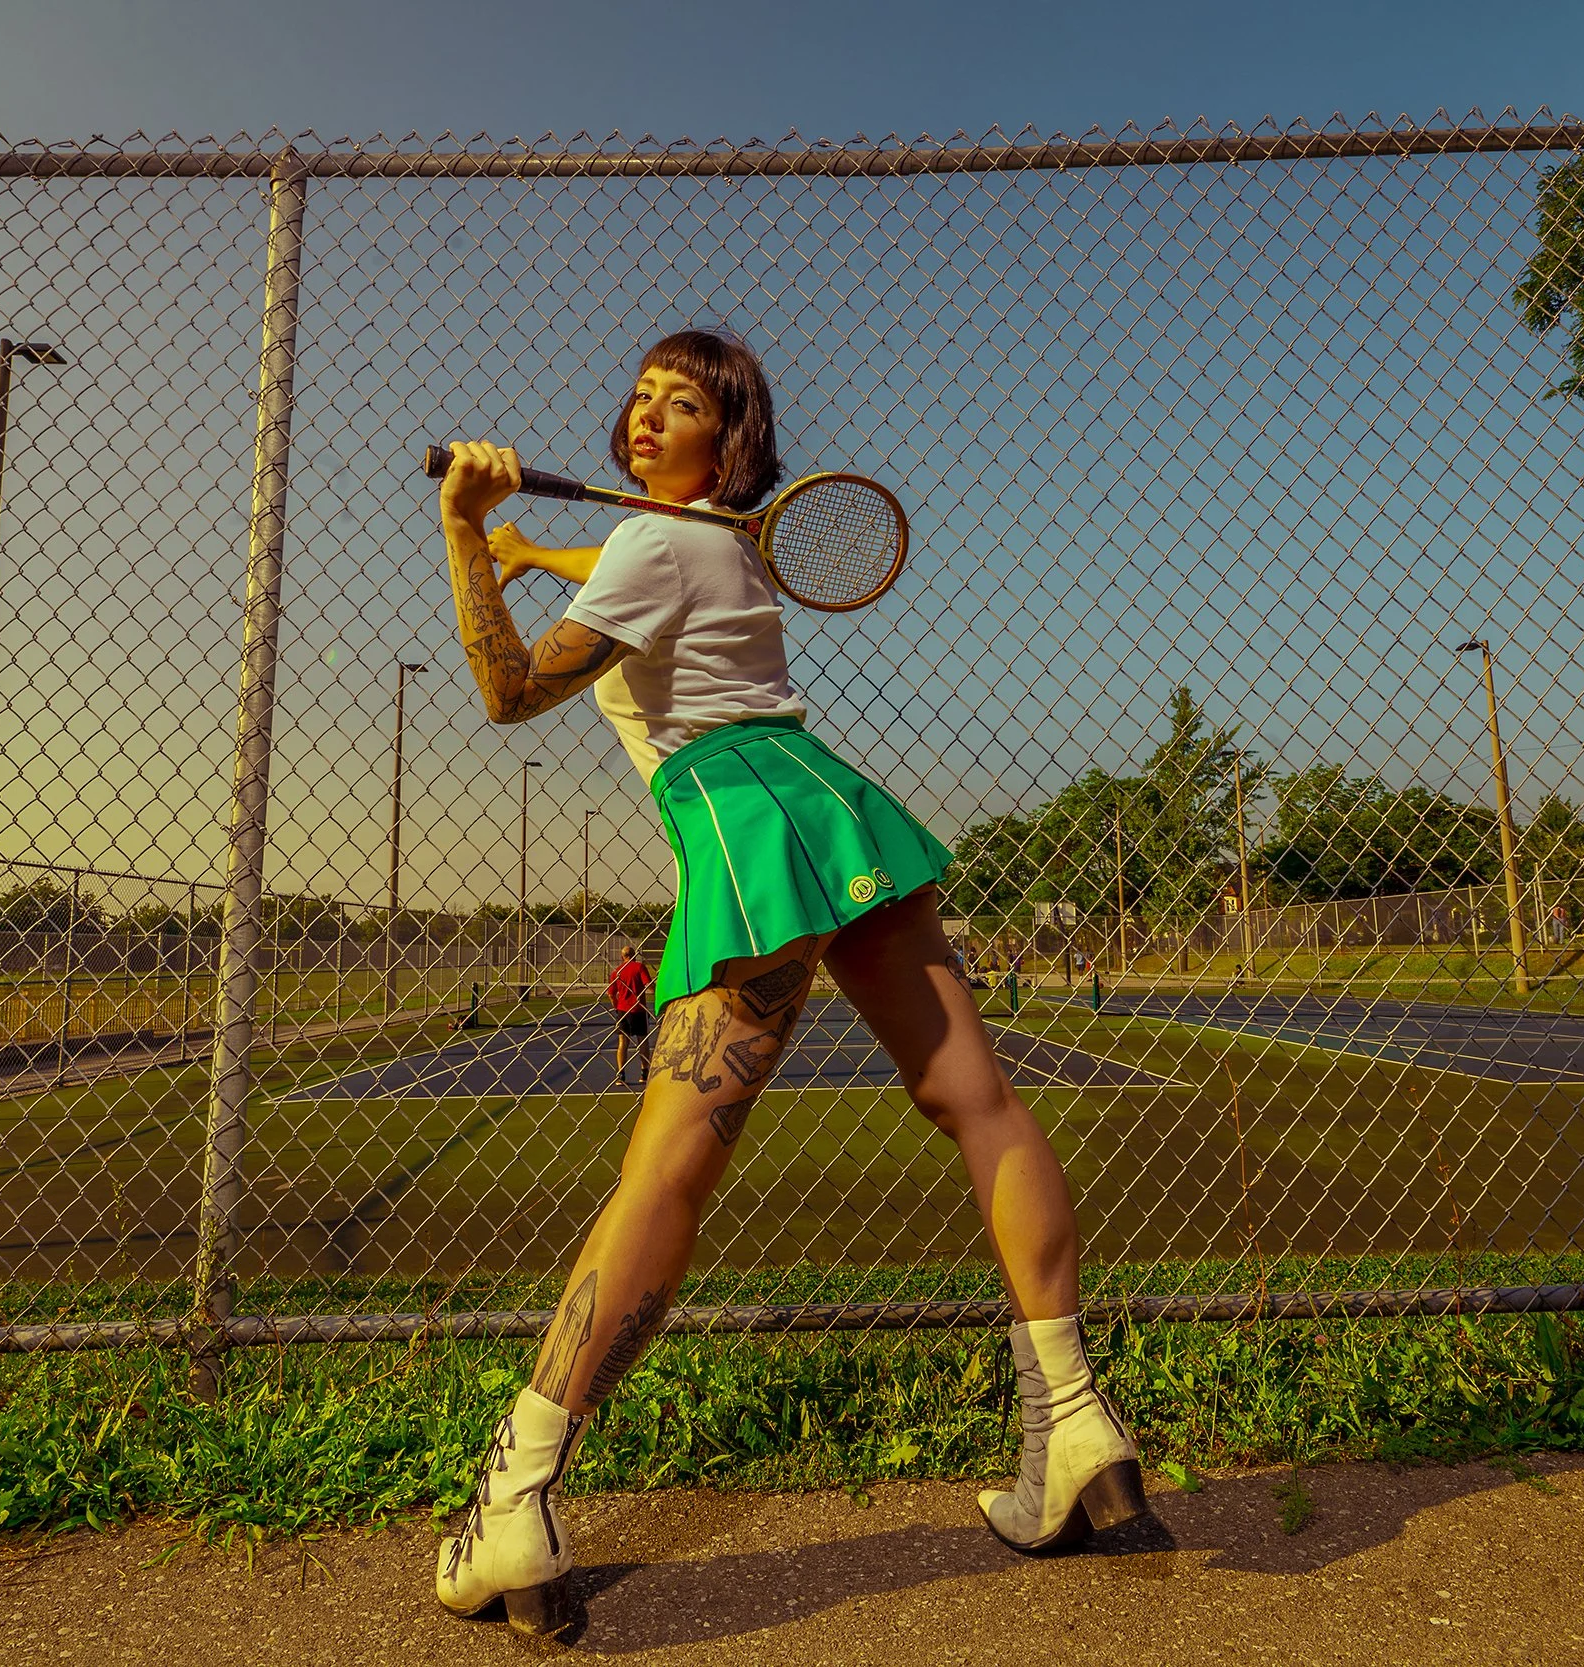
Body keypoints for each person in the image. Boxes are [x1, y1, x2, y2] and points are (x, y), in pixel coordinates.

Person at [428, 331, 1144, 1645]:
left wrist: (470, 533)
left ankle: (518, 1492)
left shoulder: (658, 548)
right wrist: (546, 555)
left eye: (682, 403)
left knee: (666, 1172)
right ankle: (1078, 1419)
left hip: (743, 827)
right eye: (640, 395)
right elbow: (638, 562)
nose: (647, 416)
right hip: (836, 805)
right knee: (980, 1102)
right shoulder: (714, 545)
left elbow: (510, 689)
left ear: (731, 438)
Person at [607, 944, 652, 1082]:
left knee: (622, 1042)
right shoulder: (639, 967)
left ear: (622, 957)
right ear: (634, 955)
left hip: (623, 1011)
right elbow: (649, 985)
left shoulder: (617, 972)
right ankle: (644, 1072)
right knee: (642, 1040)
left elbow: (611, 994)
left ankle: (621, 1074)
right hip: (638, 1010)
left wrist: (616, 1006)